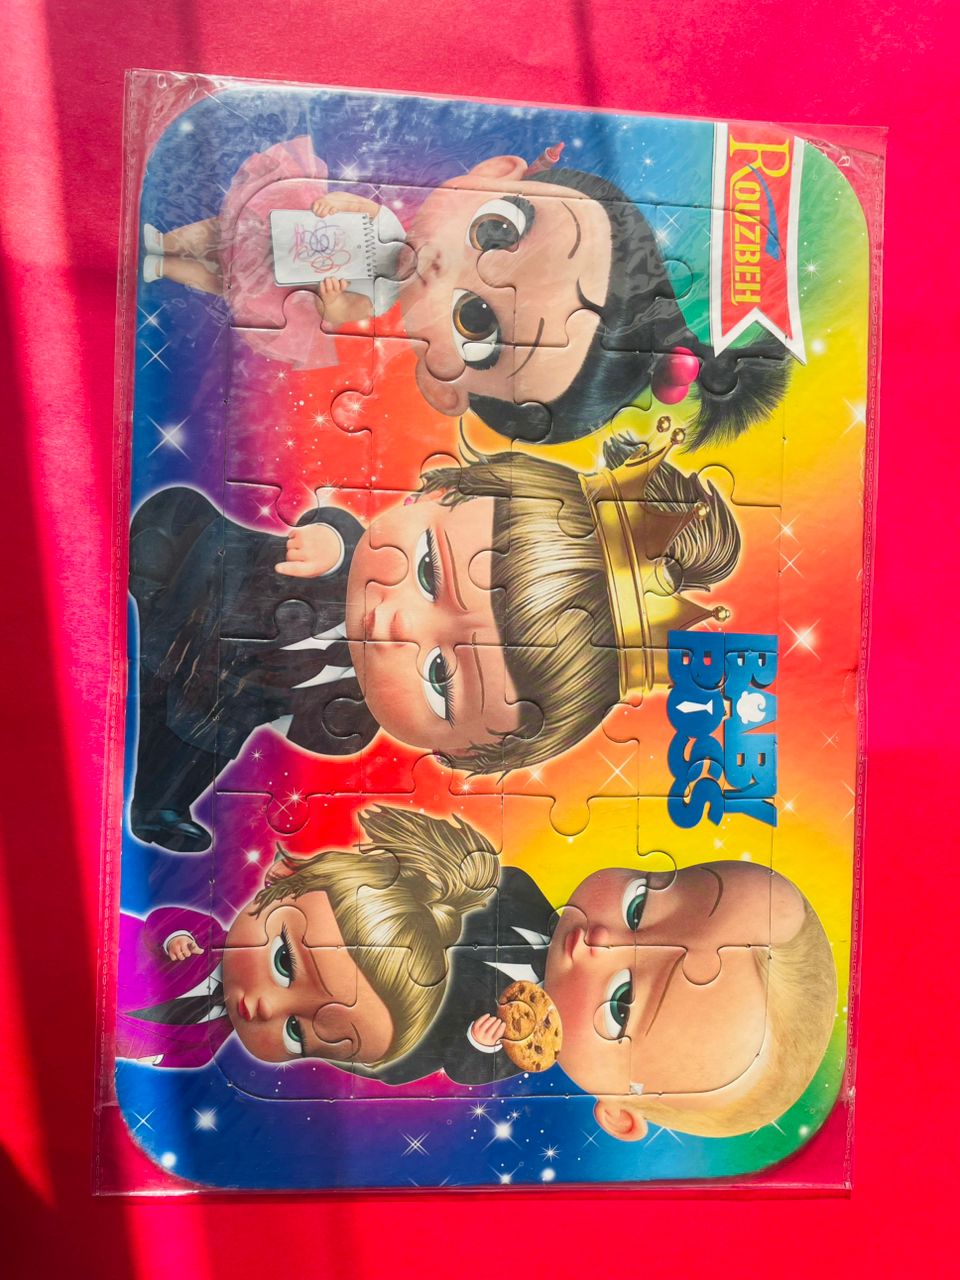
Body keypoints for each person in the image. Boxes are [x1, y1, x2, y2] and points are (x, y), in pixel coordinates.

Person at [129, 426, 739, 851]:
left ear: (463, 753)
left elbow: (306, 723)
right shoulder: (345, 566)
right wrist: (330, 543)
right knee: (169, 541)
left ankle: (157, 806)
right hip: (211, 579)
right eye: (428, 570)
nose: (401, 626)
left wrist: (289, 708)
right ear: (436, 493)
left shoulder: (348, 721)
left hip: (225, 695)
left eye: (441, 679)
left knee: (197, 738)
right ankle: (152, 614)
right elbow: (340, 527)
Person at [142, 137, 790, 443]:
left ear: (444, 386)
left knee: (225, 280)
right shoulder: (382, 226)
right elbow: (349, 206)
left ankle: (161, 266)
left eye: (476, 322)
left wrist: (334, 299)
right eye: (497, 230)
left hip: (287, 281)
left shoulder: (375, 299)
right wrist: (332, 207)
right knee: (225, 228)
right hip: (286, 224)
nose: (449, 272)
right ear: (498, 172)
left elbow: (340, 311)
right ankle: (163, 240)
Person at [380, 857, 837, 1142]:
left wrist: (479, 1042)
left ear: (619, 1114)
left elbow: (462, 1066)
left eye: (622, 1003)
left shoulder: (507, 1048)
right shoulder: (520, 896)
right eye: (639, 906)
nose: (601, 941)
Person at [116, 805, 498, 1069]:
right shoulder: (205, 938)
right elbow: (163, 922)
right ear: (284, 877)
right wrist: (177, 938)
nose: (267, 1008)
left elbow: (186, 1054)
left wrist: (150, 1057)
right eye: (284, 961)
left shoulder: (209, 1041)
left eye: (296, 1032)